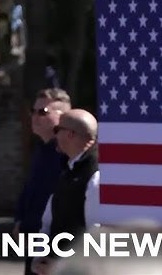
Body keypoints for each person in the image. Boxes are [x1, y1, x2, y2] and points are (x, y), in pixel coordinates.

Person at [31, 109, 100, 275]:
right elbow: (48, 222)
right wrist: (40, 256)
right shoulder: (69, 170)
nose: (54, 136)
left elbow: (95, 231)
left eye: (57, 130)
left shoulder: (94, 174)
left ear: (70, 134)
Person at [14, 88, 71, 275]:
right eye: (33, 111)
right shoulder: (41, 149)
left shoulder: (66, 153)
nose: (35, 117)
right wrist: (20, 220)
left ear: (63, 116)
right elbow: (31, 187)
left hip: (52, 238)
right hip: (33, 235)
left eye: (43, 112)